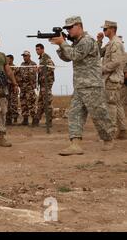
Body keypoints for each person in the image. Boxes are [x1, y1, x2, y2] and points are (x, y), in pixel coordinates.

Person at [49, 16, 115, 155]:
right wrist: (61, 45)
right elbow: (67, 57)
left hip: (92, 85)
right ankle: (75, 144)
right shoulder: (77, 42)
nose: (68, 30)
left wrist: (63, 42)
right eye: (66, 28)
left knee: (99, 114)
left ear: (79, 26)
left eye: (70, 27)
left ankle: (108, 138)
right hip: (80, 85)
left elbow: (74, 56)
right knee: (74, 113)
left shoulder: (87, 41)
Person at [96, 20, 126, 140]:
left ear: (112, 29)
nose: (103, 31)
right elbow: (98, 53)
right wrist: (99, 41)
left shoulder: (116, 43)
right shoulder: (110, 43)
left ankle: (111, 133)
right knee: (117, 104)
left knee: (111, 106)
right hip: (111, 78)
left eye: (105, 29)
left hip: (112, 79)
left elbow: (116, 62)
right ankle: (123, 131)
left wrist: (102, 69)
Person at [32, 44, 55, 127]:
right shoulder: (41, 58)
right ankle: (36, 120)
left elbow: (51, 67)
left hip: (46, 84)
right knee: (41, 103)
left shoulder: (46, 58)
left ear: (42, 49)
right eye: (36, 49)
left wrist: (42, 72)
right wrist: (39, 70)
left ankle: (49, 122)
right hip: (42, 85)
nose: (37, 51)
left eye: (38, 49)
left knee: (47, 102)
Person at [16, 51, 37, 126]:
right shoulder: (22, 65)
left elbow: (31, 75)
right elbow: (17, 73)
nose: (24, 57)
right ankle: (25, 120)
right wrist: (19, 80)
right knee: (23, 103)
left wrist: (24, 78)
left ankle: (34, 120)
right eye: (23, 56)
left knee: (31, 103)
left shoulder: (33, 64)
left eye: (25, 56)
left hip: (29, 87)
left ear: (29, 56)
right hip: (23, 87)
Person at [5, 55, 19, 125]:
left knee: (14, 103)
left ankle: (15, 118)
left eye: (8, 59)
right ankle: (8, 118)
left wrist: (15, 84)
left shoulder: (15, 68)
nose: (7, 60)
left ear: (11, 59)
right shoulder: (5, 68)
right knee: (7, 103)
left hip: (13, 87)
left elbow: (17, 78)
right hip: (6, 88)